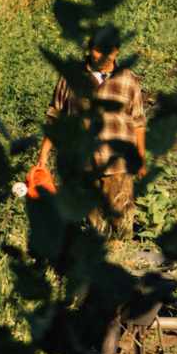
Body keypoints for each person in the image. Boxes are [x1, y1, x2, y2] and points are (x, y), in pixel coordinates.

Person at [36, 40, 150, 241]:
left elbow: (138, 122)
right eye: (98, 50)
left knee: (121, 216)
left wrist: (140, 157)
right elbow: (55, 117)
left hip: (118, 161)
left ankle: (121, 257)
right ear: (89, 50)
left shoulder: (128, 79)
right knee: (94, 222)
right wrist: (43, 155)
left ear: (116, 51)